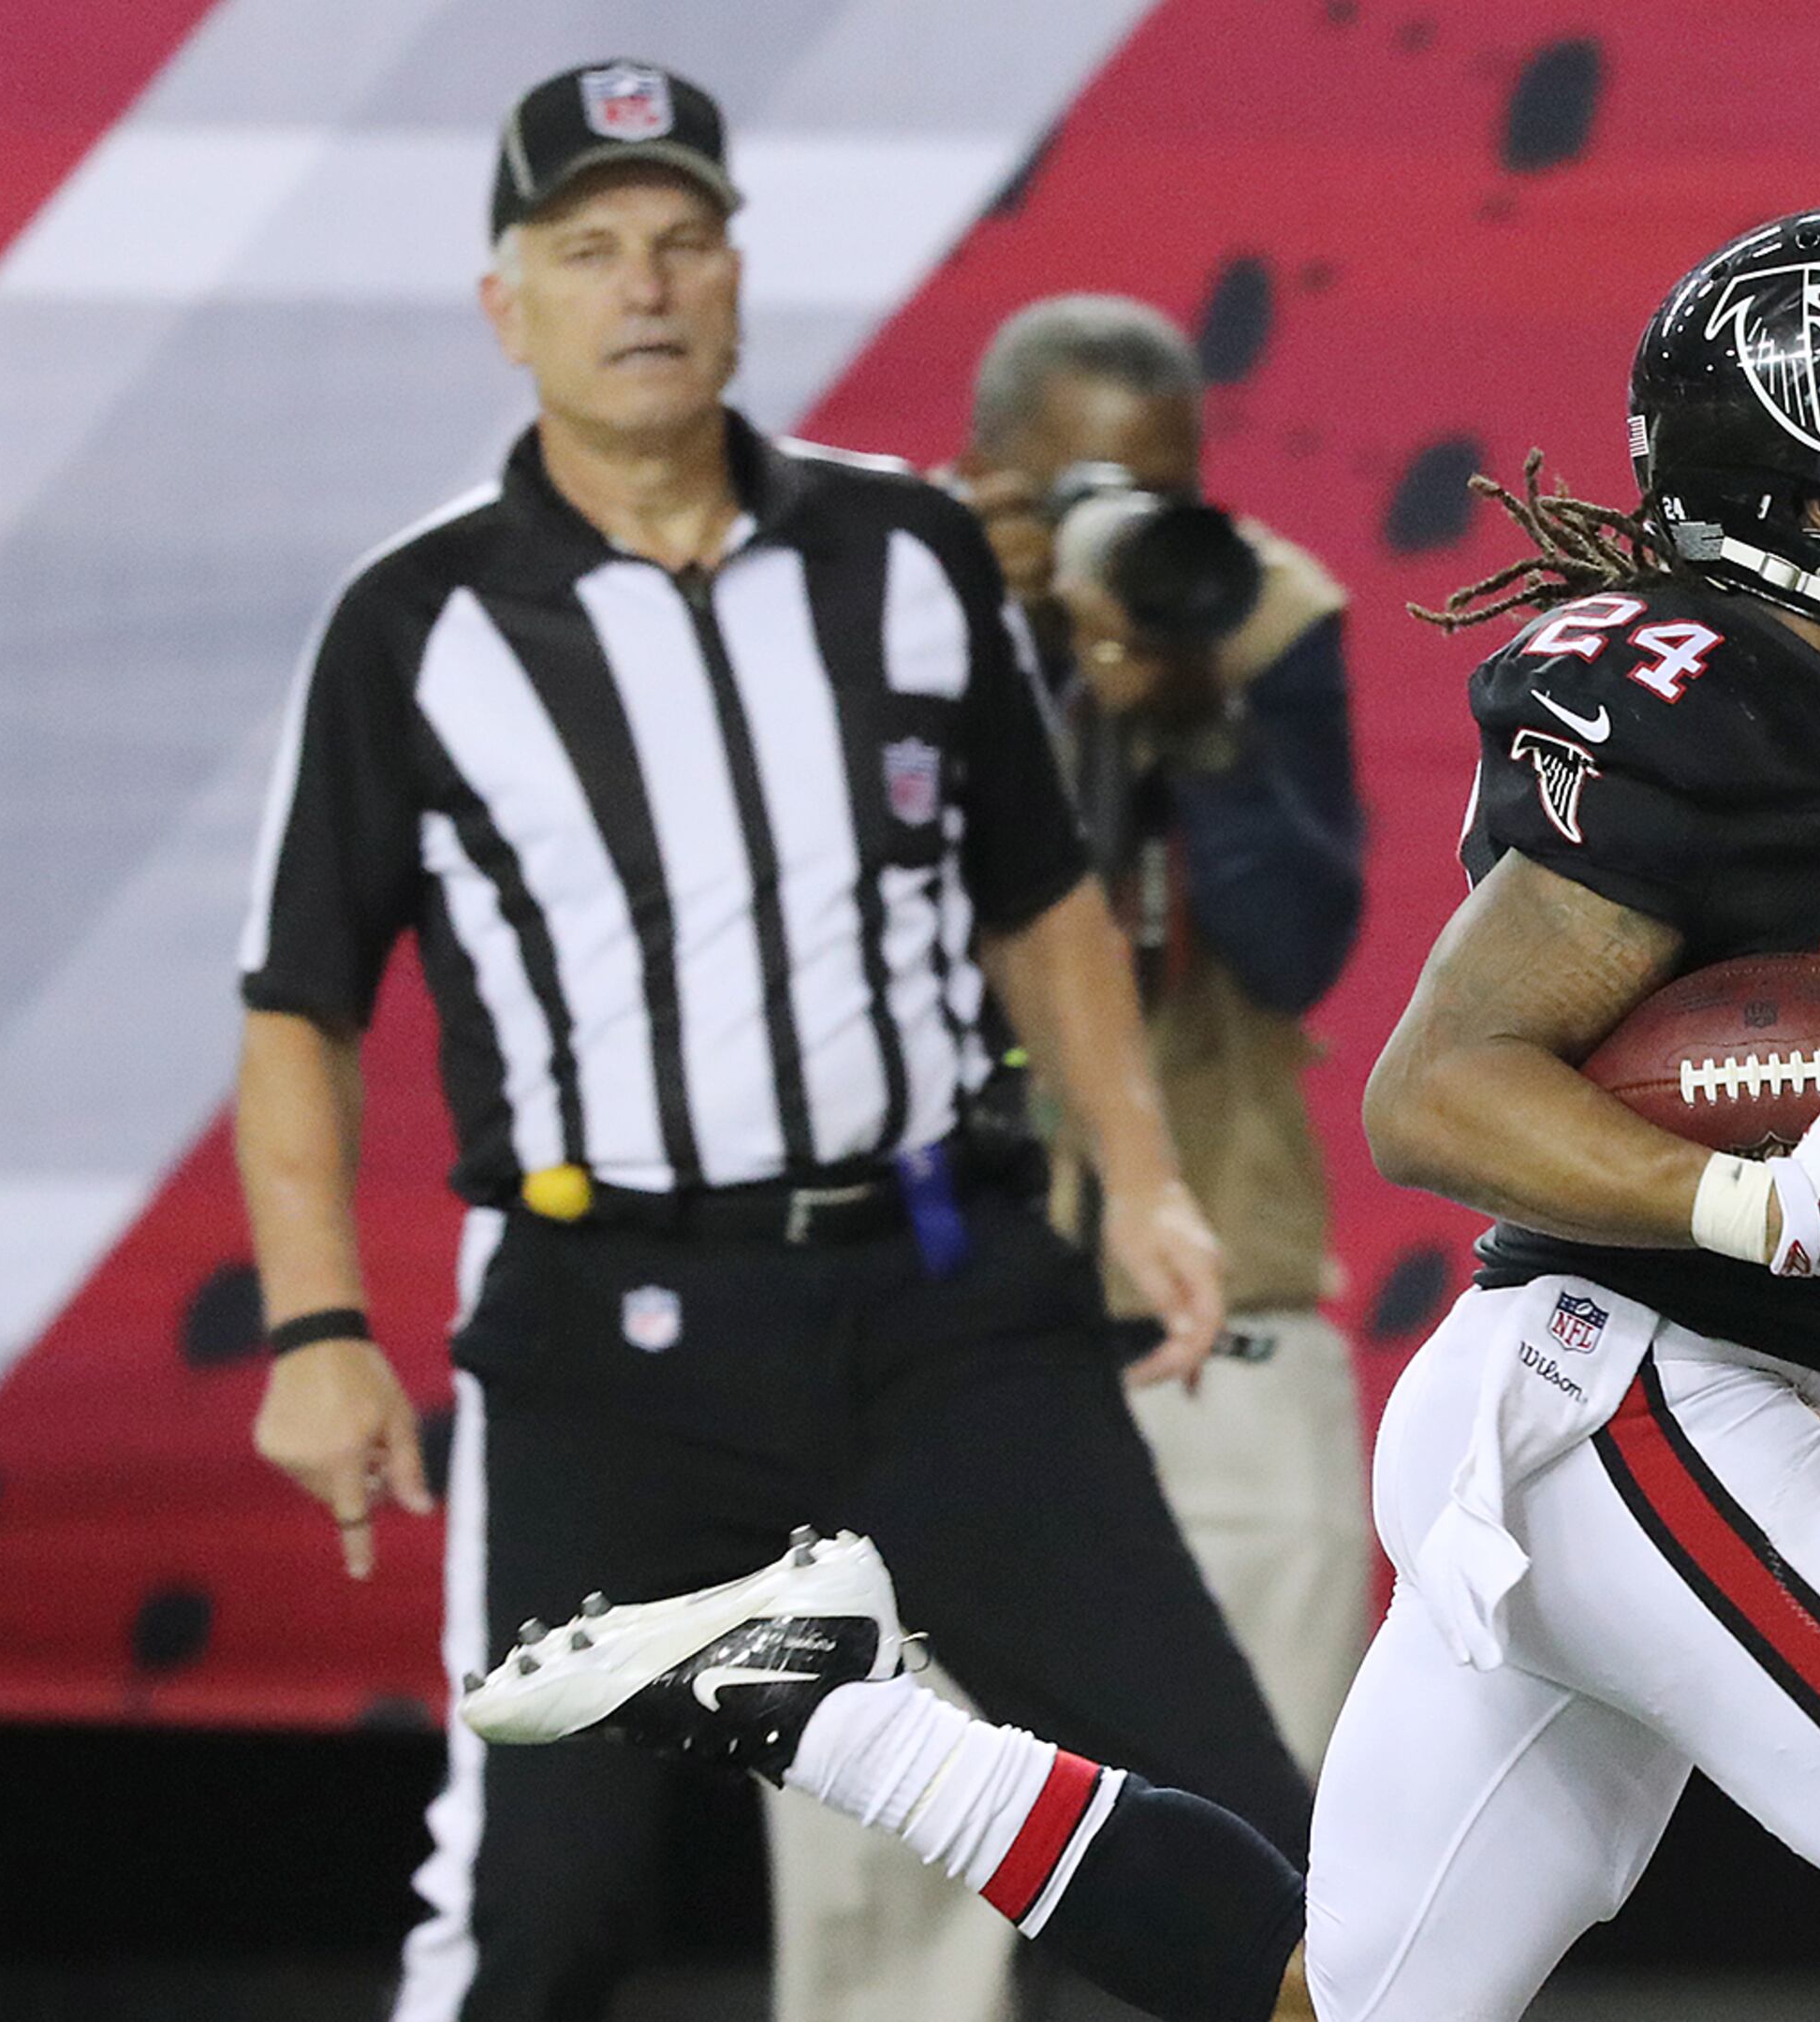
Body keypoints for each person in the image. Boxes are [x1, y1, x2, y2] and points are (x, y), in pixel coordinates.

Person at [457, 206, 1820, 2022]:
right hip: (1638, 1391)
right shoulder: (1693, 709)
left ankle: (820, 1706)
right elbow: (1435, 1091)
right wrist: (1747, 1216)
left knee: (1348, 2006)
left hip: (1701, 1384)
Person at [232, 61, 1309, 2022]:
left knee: (1253, 1839)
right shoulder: (420, 621)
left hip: (947, 1300)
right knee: (541, 1921)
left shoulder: (901, 556)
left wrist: (1142, 1173)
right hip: (606, 1338)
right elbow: (301, 1003)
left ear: (737, 275)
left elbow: (1040, 893)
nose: (641, 287)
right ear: (511, 302)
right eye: (588, 249)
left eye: (679, 241)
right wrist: (316, 1329)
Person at [762, 295, 1372, 2022]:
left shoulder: (1257, 608)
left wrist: (1193, 715)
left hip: (1214, 1299)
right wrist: (995, 646)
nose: (1127, 518)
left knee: (1292, 1859)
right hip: (922, 1300)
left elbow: (1295, 944)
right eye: (1078, 486)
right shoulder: (863, 616)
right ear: (985, 476)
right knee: (886, 1873)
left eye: (1159, 482)